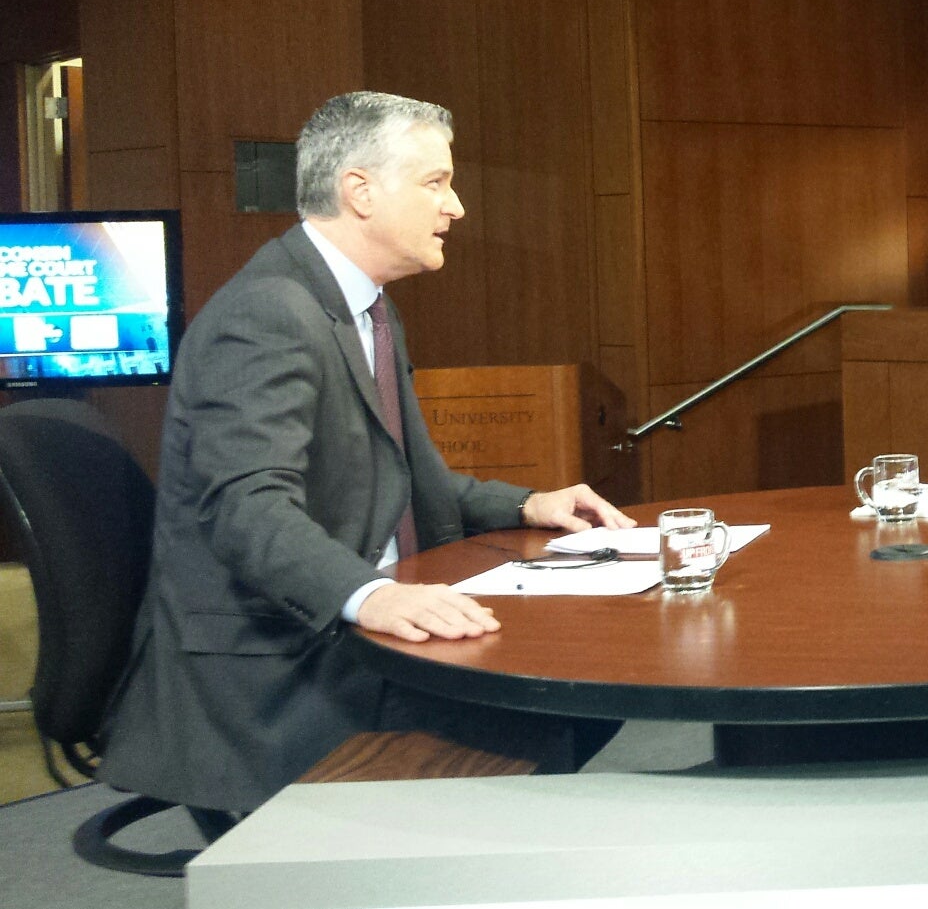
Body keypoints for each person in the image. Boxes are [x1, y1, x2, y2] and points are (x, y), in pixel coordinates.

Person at [97, 92, 637, 818]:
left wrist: (526, 504)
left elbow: (403, 478)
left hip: (332, 641)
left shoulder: (365, 305)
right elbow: (245, 509)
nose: (457, 207)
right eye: (435, 182)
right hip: (274, 676)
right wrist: (373, 594)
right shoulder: (269, 313)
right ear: (359, 191)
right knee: (562, 699)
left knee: (579, 691)